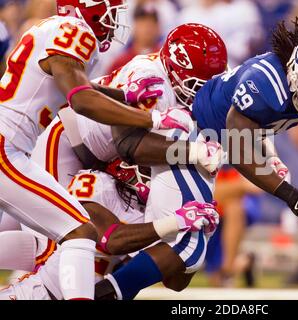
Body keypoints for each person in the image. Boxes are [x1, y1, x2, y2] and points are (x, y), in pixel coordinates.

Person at [94, 18, 298, 300]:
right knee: (186, 248)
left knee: (179, 278)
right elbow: (238, 148)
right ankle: (102, 294)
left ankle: (114, 275)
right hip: (192, 137)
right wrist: (292, 197)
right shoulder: (264, 82)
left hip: (215, 149)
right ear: (294, 72)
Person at [0, 0, 190, 300]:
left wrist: (125, 95)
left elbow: (77, 87)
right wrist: (151, 117)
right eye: (111, 12)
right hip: (7, 146)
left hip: (13, 144)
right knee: (81, 233)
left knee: (50, 243)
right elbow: (82, 100)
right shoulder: (76, 31)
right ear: (92, 9)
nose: (115, 22)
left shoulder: (52, 27)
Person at [0, 160, 219, 299]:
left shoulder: (154, 215)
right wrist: (175, 223)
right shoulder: (96, 184)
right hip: (42, 294)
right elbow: (111, 240)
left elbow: (175, 283)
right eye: (150, 169)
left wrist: (198, 238)